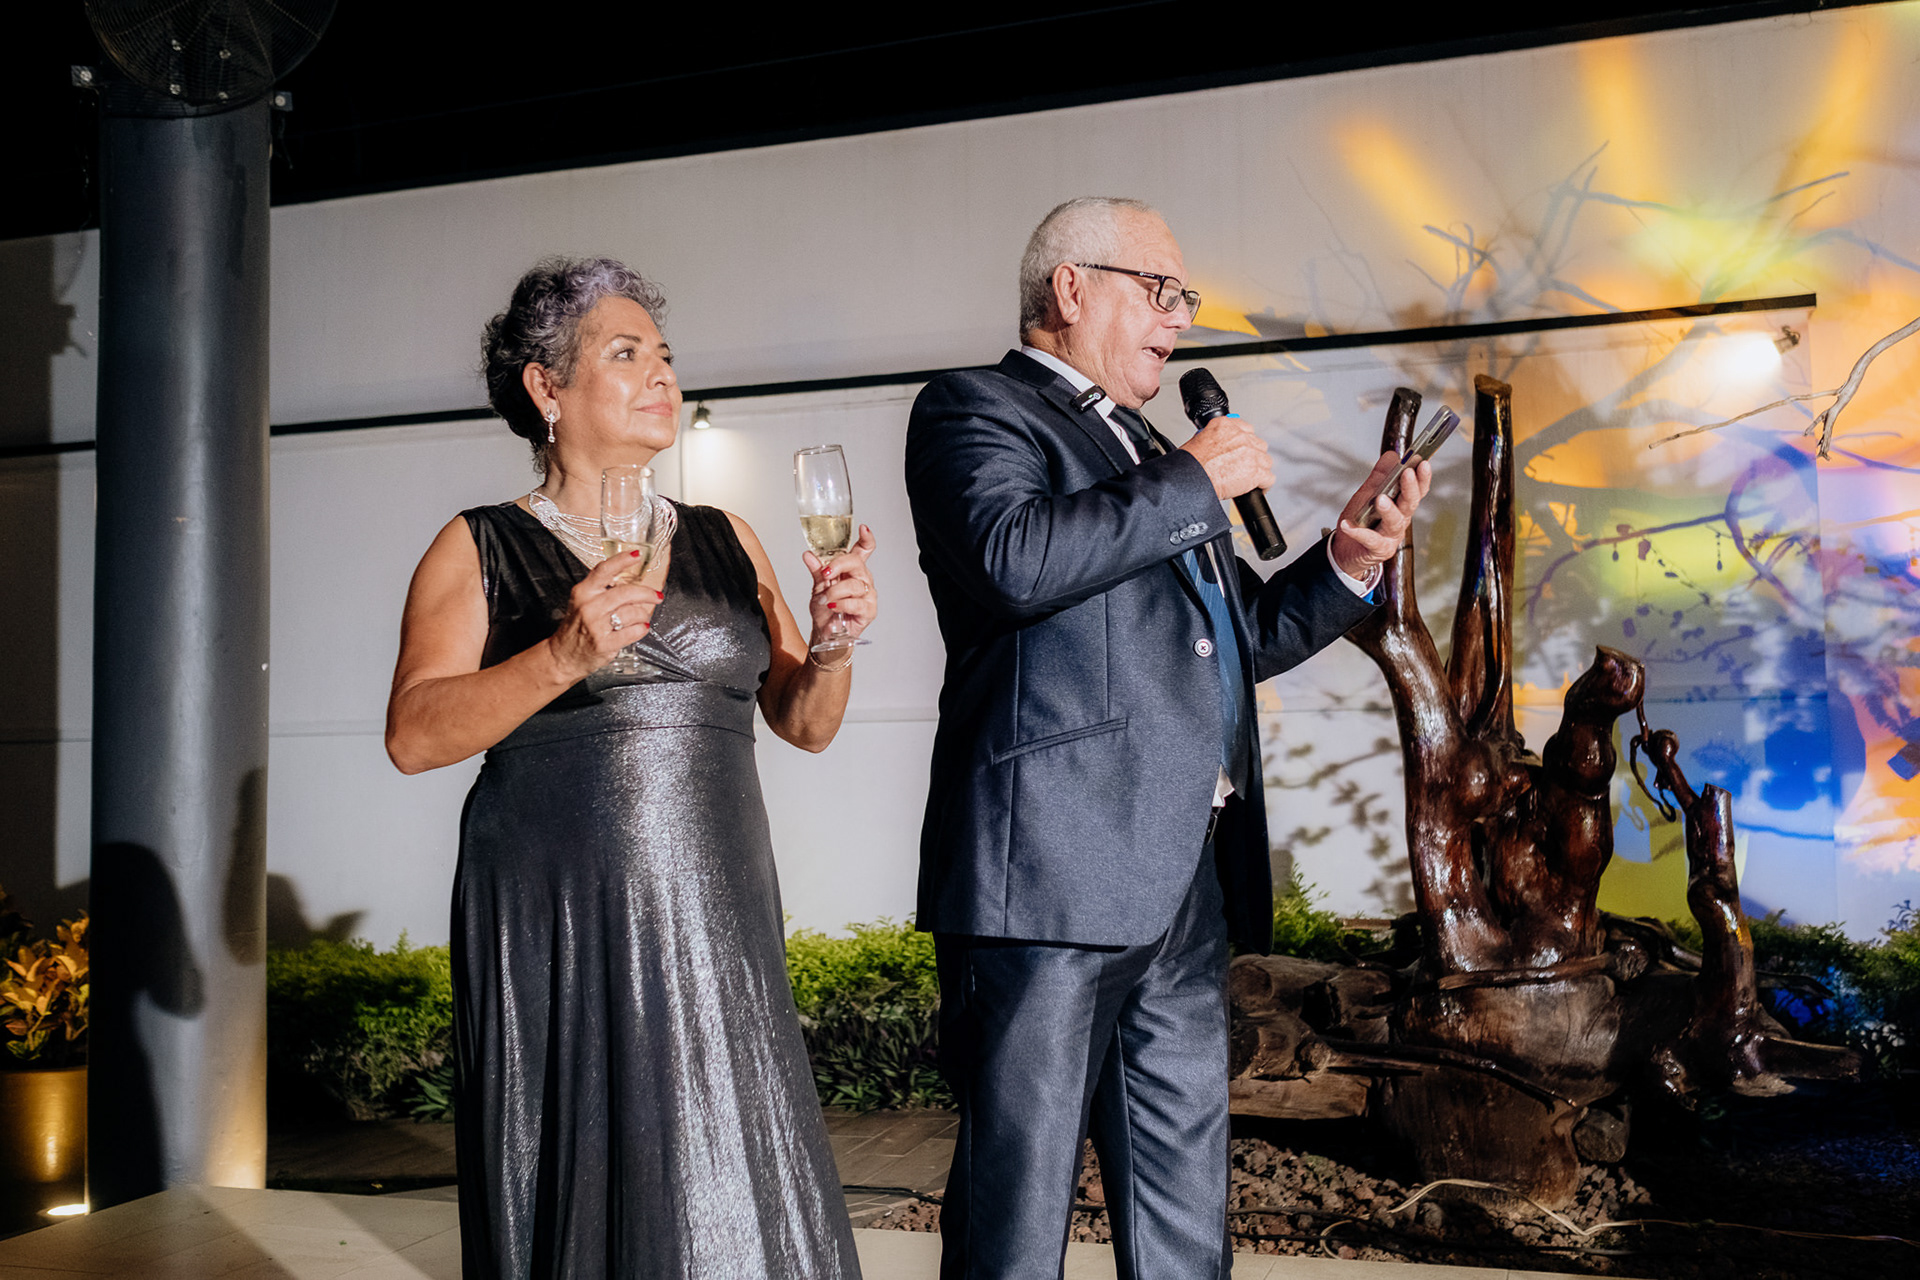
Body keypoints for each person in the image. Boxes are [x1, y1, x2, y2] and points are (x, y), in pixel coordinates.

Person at [904, 197, 1429, 1279]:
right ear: (1070, 288)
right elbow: (1012, 560)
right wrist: (1193, 477)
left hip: (1181, 879)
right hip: (1047, 879)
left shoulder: (1147, 448)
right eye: (1160, 290)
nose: (1180, 319)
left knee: (1185, 1204)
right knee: (1017, 1208)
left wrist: (1345, 562)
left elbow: (1234, 640)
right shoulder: (975, 407)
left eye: (1184, 298)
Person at [385, 256, 875, 1279]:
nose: (662, 374)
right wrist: (561, 655)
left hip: (716, 908)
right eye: (625, 353)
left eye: (665, 354)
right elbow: (414, 734)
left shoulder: (729, 540)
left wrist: (832, 645)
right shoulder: (479, 547)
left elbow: (805, 724)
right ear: (547, 387)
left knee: (728, 1157)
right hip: (558, 914)